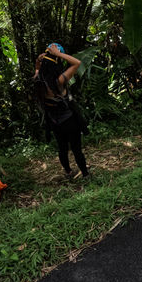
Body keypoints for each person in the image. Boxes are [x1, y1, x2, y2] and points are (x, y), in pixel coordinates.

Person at [34, 43, 90, 180]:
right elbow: (77, 63)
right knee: (76, 149)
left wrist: (38, 60)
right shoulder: (59, 81)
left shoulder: (38, 79)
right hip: (69, 120)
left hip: (54, 122)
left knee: (62, 148)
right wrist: (58, 54)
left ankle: (68, 172)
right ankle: (85, 174)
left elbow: (37, 68)